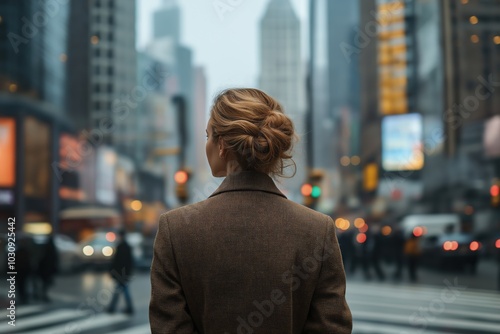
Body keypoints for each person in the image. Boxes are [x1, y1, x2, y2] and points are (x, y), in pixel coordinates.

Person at [149, 88, 352, 333]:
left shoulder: (176, 228)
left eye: (208, 136)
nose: (207, 145)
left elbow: (168, 328)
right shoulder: (318, 229)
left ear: (222, 145)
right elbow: (332, 328)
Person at [107, 229, 134, 315]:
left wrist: (112, 271)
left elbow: (116, 261)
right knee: (121, 290)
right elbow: (130, 262)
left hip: (120, 273)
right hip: (124, 273)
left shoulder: (120, 247)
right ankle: (115, 307)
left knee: (120, 291)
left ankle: (113, 308)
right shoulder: (127, 247)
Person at [35, 234, 59, 302]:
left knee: (44, 283)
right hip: (47, 269)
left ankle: (42, 295)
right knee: (45, 283)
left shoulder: (45, 248)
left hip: (46, 269)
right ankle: (42, 295)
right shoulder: (50, 249)